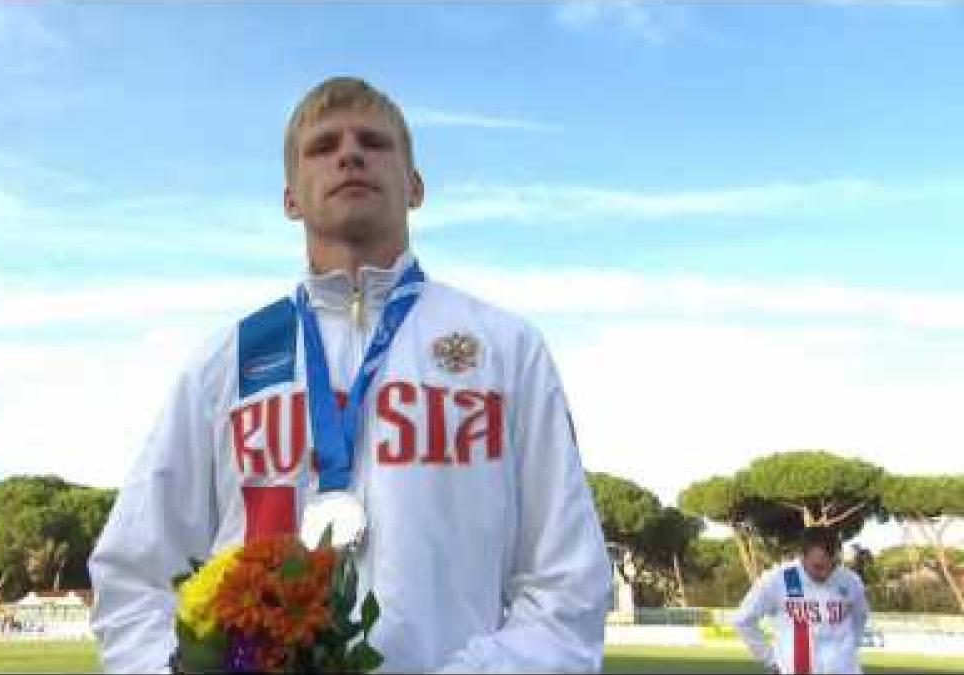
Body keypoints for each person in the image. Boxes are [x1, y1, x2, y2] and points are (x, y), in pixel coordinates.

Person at [88, 76, 612, 673]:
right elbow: (133, 576)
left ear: (414, 186)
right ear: (290, 198)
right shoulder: (226, 361)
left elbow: (567, 585)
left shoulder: (506, 348)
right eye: (322, 146)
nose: (349, 154)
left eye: (374, 141)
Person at [733, 527, 871, 674]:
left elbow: (860, 618)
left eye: (833, 565)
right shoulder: (777, 579)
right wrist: (770, 660)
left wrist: (846, 653)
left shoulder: (851, 581)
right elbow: (743, 620)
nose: (826, 573)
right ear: (802, 556)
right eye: (818, 567)